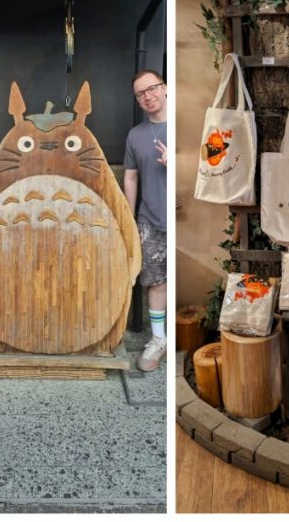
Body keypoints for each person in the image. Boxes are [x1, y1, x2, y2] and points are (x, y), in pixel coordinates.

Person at [123, 69, 168, 372]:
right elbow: (130, 177)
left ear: (164, 88)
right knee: (154, 281)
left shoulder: (185, 124)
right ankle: (159, 339)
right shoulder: (136, 135)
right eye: (141, 93)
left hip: (181, 217)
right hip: (149, 221)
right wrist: (128, 218)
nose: (148, 96)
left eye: (152, 89)